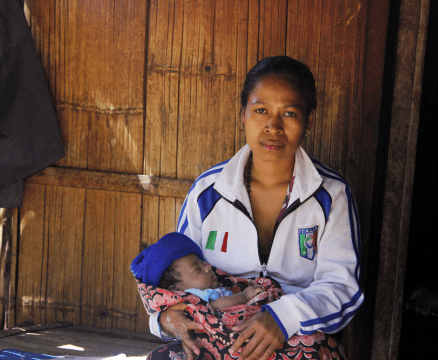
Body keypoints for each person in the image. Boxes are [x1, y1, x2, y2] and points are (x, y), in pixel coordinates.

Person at [150, 56, 364, 360]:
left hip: (293, 340)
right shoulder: (208, 193)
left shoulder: (331, 196)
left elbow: (342, 288)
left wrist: (283, 317)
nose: (273, 126)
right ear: (243, 115)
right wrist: (162, 319)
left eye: (289, 113)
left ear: (308, 121)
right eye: (261, 110)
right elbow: (172, 277)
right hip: (217, 335)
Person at [130, 232, 264, 310]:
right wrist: (245, 296)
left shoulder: (206, 289)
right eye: (197, 269)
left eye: (203, 263)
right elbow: (217, 305)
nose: (207, 268)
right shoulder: (194, 296)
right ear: (176, 288)